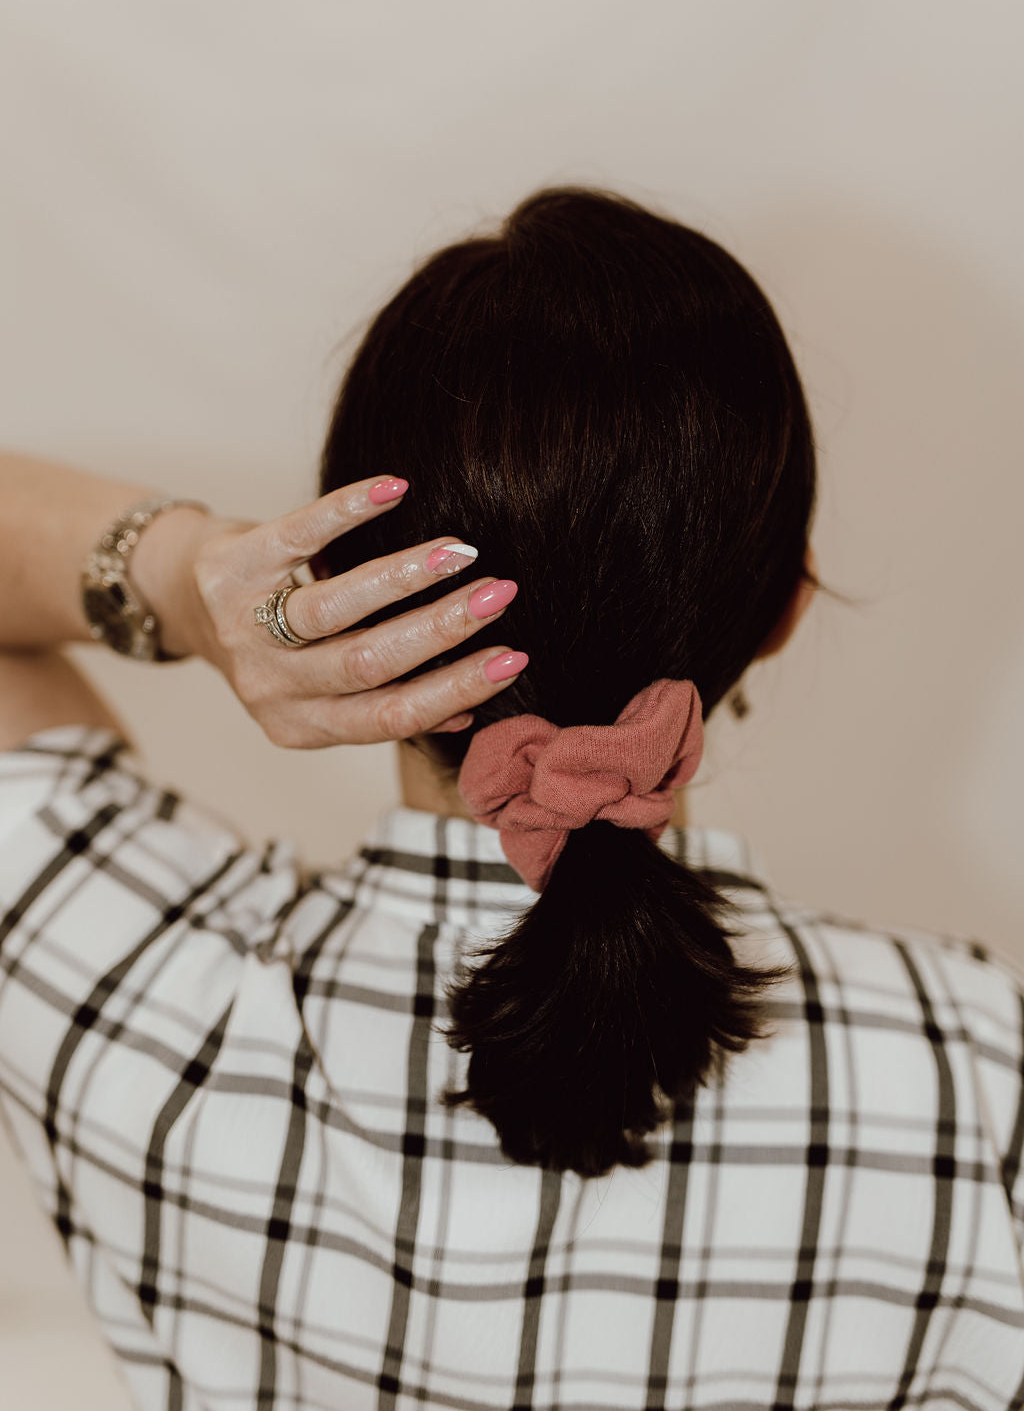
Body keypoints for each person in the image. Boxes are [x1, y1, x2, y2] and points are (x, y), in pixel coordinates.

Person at [0, 186, 1020, 1410]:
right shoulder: (981, 1068)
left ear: (340, 590)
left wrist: (186, 580)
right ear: (786, 606)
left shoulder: (136, 1000)